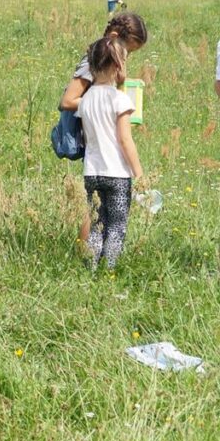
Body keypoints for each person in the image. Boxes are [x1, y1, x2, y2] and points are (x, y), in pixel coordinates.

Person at [58, 14, 148, 243]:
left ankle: (92, 255)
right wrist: (105, 104)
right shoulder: (92, 62)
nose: (126, 58)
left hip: (99, 141)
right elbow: (68, 100)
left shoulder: (103, 58)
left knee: (100, 208)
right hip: (94, 143)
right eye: (128, 51)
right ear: (115, 37)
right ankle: (86, 255)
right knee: (96, 211)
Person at [74, 37, 143, 269]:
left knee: (96, 224)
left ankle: (91, 267)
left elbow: (87, 138)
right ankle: (110, 268)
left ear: (92, 66)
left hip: (91, 173)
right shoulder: (120, 100)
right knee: (116, 226)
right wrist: (139, 173)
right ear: (118, 66)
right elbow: (125, 140)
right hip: (117, 175)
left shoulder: (84, 102)